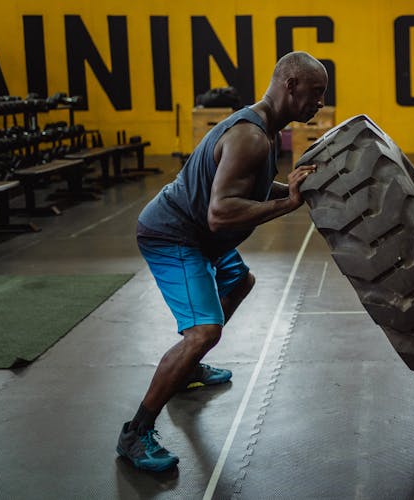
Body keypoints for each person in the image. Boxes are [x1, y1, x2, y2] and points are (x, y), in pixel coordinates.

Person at [116, 51, 328, 472]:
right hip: (173, 234)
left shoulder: (265, 129)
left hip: (198, 234)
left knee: (240, 283)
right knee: (203, 332)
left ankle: (188, 371)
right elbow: (222, 212)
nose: (320, 103)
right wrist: (288, 203)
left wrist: (298, 187)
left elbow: (252, 185)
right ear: (289, 85)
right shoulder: (250, 137)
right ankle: (135, 432)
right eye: (316, 93)